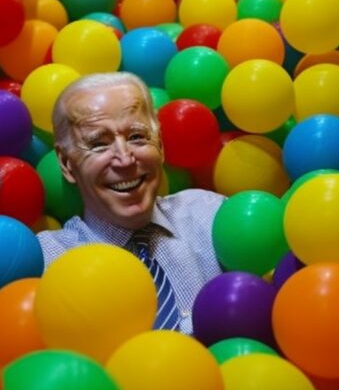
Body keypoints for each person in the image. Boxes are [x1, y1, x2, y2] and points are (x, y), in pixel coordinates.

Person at [36, 72, 226, 335]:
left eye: (136, 137)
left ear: (159, 144)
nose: (124, 159)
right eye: (99, 144)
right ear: (67, 164)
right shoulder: (44, 262)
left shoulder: (211, 215)